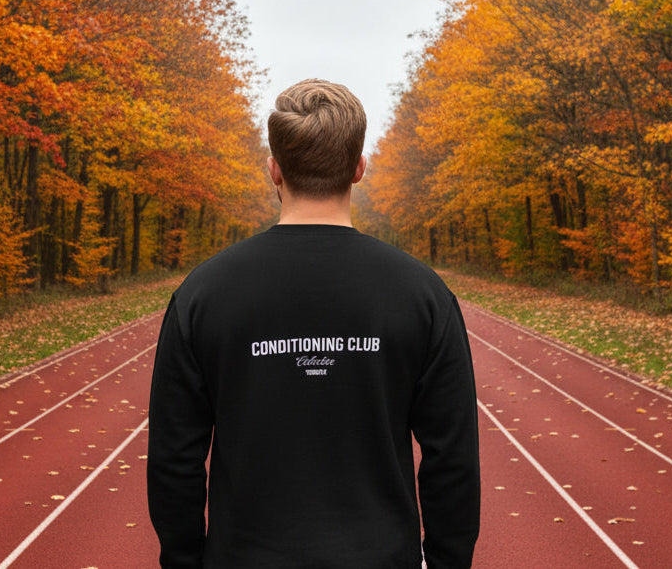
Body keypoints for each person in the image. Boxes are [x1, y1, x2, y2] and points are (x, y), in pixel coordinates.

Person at [148, 78, 480, 569]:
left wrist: (184, 561)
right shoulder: (423, 295)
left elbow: (175, 458)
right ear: (359, 168)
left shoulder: (202, 294)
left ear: (274, 170)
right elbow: (452, 458)